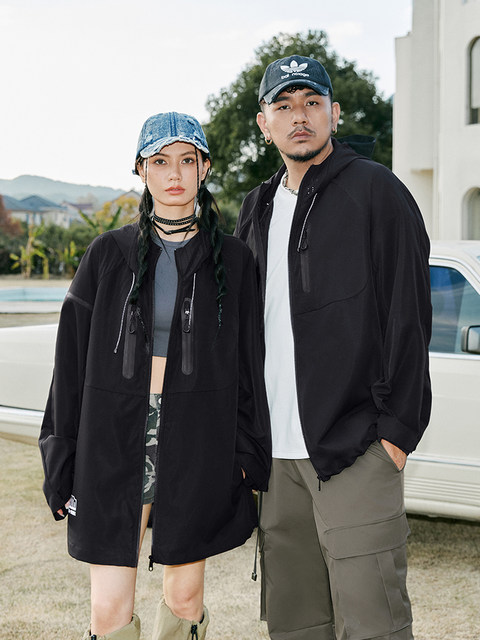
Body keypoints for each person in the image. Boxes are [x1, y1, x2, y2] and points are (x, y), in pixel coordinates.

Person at [39, 112, 271, 640]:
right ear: (142, 171)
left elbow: (250, 367)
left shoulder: (234, 261)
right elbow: (69, 365)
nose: (174, 174)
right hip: (112, 439)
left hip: (198, 439)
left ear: (204, 168)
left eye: (187, 160)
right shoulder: (106, 254)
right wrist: (61, 457)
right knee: (108, 609)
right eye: (160, 161)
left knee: (185, 598)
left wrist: (246, 454)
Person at [235, 55, 432, 640]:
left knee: (374, 625)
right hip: (277, 462)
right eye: (284, 106)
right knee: (297, 627)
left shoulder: (377, 191)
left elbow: (409, 316)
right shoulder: (256, 208)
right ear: (264, 123)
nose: (299, 116)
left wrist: (394, 435)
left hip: (355, 450)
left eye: (312, 103)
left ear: (334, 113)